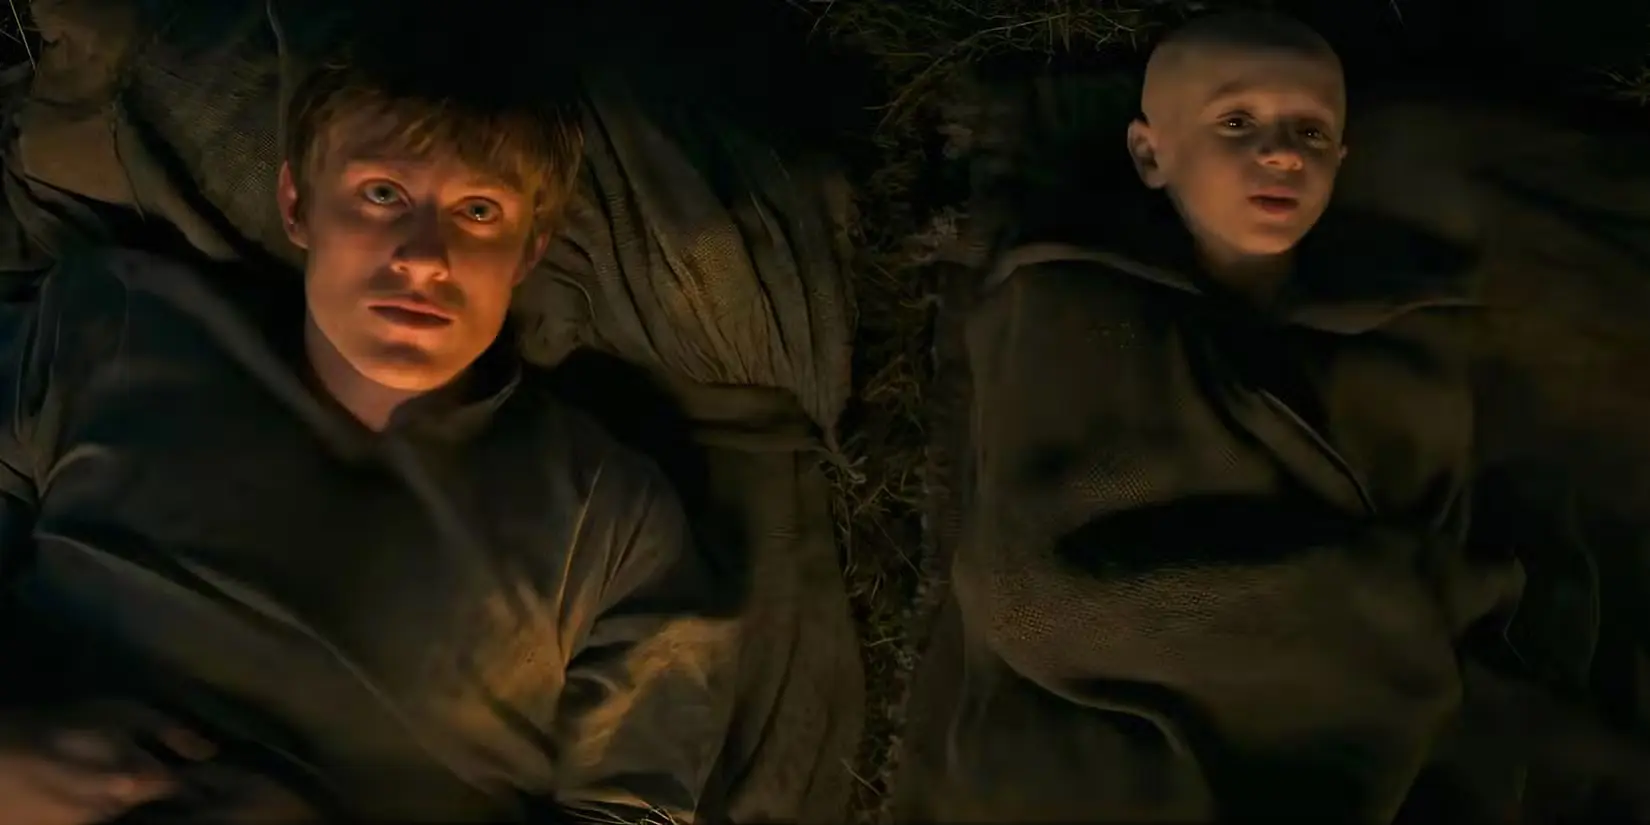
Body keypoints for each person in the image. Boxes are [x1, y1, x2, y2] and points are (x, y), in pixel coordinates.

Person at [0, 6, 739, 823]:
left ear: (531, 247)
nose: (424, 257)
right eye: (383, 194)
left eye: (478, 211)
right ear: (296, 203)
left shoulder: (608, 524)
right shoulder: (112, 329)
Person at [892, 11, 1583, 822]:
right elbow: (1030, 579)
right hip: (1136, 671)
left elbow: (1451, 499)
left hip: (1358, 685)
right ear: (1151, 154)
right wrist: (1373, 598)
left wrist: (1412, 602)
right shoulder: (1073, 302)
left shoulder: (1403, 328)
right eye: (1236, 122)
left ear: (1342, 161)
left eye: (1310, 132)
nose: (1283, 153)